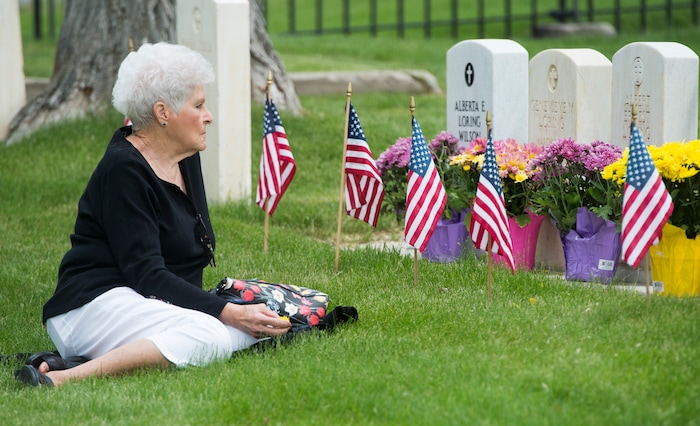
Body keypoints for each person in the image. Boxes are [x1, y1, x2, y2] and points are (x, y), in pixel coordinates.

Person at [15, 42, 291, 388]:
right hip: (91, 304)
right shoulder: (124, 169)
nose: (209, 116)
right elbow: (146, 272)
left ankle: (100, 356)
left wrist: (228, 314)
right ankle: (64, 377)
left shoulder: (186, 154)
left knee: (258, 326)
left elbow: (182, 266)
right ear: (163, 112)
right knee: (214, 335)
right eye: (199, 105)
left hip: (142, 301)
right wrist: (226, 312)